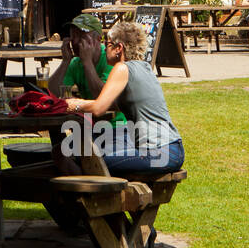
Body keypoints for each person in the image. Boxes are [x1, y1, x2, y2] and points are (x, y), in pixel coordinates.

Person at [64, 21, 185, 176]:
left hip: (159, 153)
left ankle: (88, 199)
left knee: (89, 163)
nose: (104, 47)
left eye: (107, 44)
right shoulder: (143, 67)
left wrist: (75, 105)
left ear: (118, 48)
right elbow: (113, 104)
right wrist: (82, 103)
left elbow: (99, 109)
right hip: (173, 148)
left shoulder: (122, 68)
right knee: (89, 160)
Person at [49, 13, 112, 100]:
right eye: (73, 36)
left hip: (111, 113)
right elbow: (52, 93)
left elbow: (103, 99)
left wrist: (87, 62)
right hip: (88, 113)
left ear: (98, 39)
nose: (75, 41)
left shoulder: (110, 59)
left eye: (81, 36)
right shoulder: (75, 62)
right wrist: (65, 62)